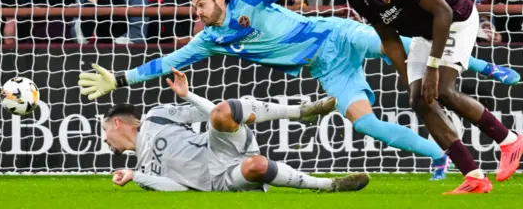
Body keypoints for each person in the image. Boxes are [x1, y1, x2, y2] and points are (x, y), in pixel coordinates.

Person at [79, 0, 519, 181]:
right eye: (193, 8)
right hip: (326, 65)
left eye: (199, 5)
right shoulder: (209, 40)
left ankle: (484, 65)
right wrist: (120, 80)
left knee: (405, 52)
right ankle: (437, 153)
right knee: (363, 121)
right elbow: (165, 62)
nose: (195, 13)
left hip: (337, 34)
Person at [314, 0, 523, 194]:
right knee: (419, 100)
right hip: (423, 33)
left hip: (455, 19)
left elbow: (443, 12)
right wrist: (408, 79)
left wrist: (433, 68)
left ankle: (509, 140)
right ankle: (474, 177)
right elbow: (389, 38)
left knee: (442, 89)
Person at [105, 68, 369, 192]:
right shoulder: (143, 172)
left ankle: (301, 113)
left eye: (105, 130)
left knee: (223, 112)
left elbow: (208, 112)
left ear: (117, 123)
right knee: (257, 167)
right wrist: (134, 175)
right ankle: (329, 185)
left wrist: (188, 95)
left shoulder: (155, 117)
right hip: (219, 180)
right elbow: (180, 189)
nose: (105, 139)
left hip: (217, 145)